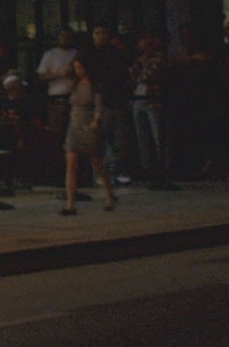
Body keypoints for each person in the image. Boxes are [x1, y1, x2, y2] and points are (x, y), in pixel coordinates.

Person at [60, 53, 117, 215]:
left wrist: (96, 121)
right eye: (76, 68)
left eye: (81, 68)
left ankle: (109, 194)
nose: (79, 71)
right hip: (75, 124)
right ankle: (70, 204)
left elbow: (99, 106)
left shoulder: (95, 85)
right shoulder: (75, 84)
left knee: (97, 164)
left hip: (89, 124)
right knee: (71, 164)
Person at [87, 27, 136, 182]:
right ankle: (101, 172)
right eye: (97, 33)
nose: (101, 36)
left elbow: (126, 74)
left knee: (120, 138)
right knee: (101, 138)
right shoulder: (89, 54)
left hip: (118, 100)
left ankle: (118, 170)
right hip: (100, 101)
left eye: (104, 33)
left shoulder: (116, 54)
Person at [130, 33, 169, 187]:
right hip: (138, 99)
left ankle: (162, 169)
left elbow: (147, 76)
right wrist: (139, 65)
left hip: (153, 100)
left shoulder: (159, 58)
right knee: (142, 137)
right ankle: (147, 168)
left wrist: (140, 68)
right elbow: (131, 74)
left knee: (158, 135)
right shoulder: (139, 60)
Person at [35, 28, 80, 142]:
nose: (65, 39)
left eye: (68, 36)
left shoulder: (76, 54)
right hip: (56, 97)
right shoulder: (50, 54)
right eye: (63, 36)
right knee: (57, 131)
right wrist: (60, 74)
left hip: (75, 97)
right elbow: (41, 76)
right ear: (58, 38)